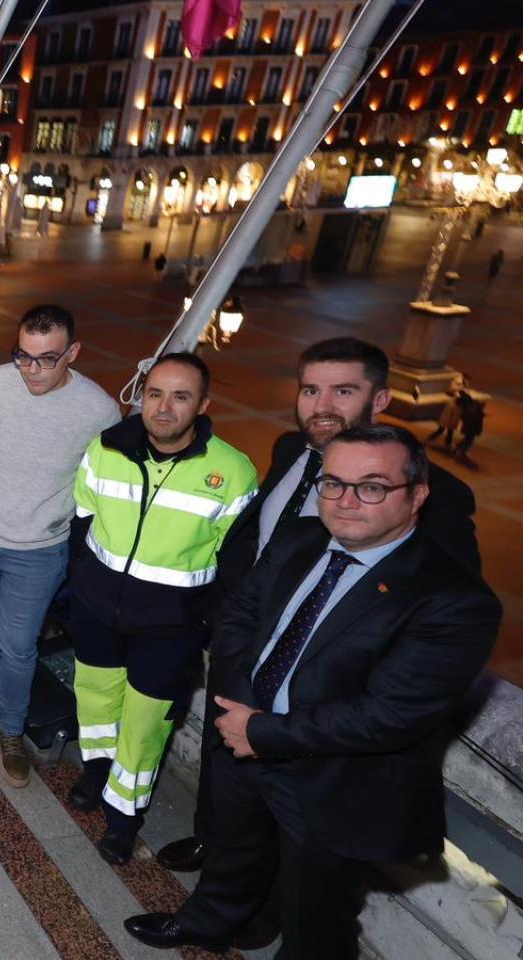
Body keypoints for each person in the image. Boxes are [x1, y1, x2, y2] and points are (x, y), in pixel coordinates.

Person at [124, 425, 500, 959]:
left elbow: (389, 715)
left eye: (371, 487)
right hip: (241, 740)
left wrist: (263, 731)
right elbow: (238, 619)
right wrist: (238, 712)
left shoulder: (454, 601)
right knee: (231, 853)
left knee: (314, 917)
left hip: (332, 778)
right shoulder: (301, 540)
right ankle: (207, 925)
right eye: (333, 483)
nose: (345, 501)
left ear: (417, 495)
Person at [155, 336, 480, 877]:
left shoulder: (435, 493)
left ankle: (263, 902)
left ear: (380, 400)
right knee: (225, 760)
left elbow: (442, 604)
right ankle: (214, 842)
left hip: (322, 688)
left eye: (343, 390)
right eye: (310, 389)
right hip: (245, 647)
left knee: (292, 811)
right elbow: (262, 544)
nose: (321, 406)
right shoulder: (290, 450)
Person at [66, 352, 257, 865]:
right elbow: (81, 521)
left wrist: (196, 619)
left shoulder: (232, 472)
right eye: (154, 394)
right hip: (97, 611)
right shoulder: (106, 448)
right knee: (96, 701)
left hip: (170, 629)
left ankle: (125, 816)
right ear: (141, 396)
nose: (164, 408)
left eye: (180, 396)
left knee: (147, 725)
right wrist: (84, 586)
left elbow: (235, 567)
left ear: (203, 405)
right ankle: (96, 772)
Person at [0, 306, 119, 789]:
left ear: (72, 353)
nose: (31, 371)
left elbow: (103, 484)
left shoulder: (98, 411)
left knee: (18, 645)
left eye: (46, 360)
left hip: (37, 551)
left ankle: (12, 729)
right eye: (23, 358)